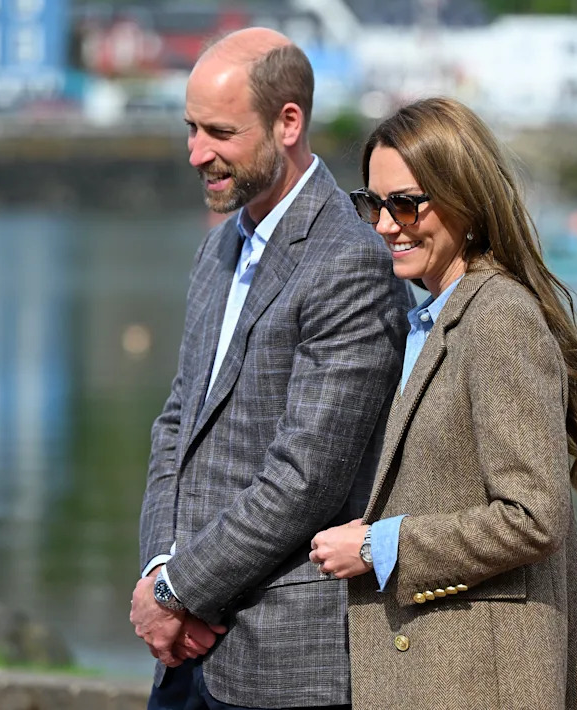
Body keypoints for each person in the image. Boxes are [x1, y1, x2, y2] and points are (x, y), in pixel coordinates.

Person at [129, 27, 411, 710]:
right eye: (191, 128)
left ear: (289, 122)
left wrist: (178, 590)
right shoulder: (219, 248)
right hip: (185, 650)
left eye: (219, 132)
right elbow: (177, 425)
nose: (197, 153)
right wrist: (158, 570)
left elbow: (306, 476)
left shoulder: (350, 260)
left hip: (283, 667)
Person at [310, 97, 577, 709]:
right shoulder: (427, 317)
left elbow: (533, 517)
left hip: (482, 681)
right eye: (373, 203)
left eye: (406, 203)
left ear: (465, 200)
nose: (386, 225)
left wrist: (378, 546)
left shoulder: (499, 318)